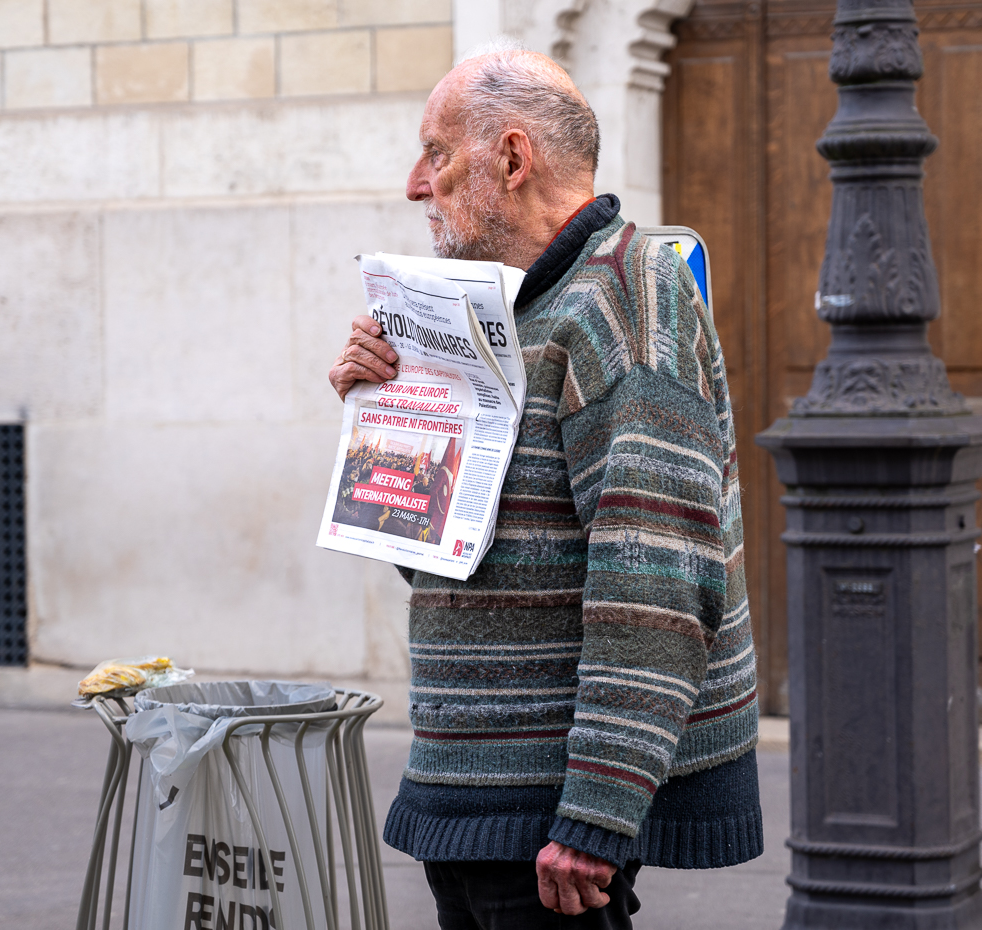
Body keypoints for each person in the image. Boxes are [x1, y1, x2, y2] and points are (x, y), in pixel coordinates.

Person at [327, 45, 761, 929]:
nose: (417, 184)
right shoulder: (501, 315)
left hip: (546, 811)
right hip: (473, 791)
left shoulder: (626, 300)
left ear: (513, 159)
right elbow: (453, 567)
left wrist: (598, 814)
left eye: (437, 153)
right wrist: (387, 422)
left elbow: (661, 581)